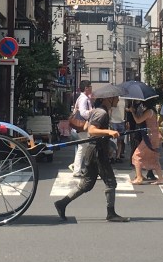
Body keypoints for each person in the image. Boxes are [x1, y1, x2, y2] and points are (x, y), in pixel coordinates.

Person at [54, 85, 129, 222]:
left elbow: (88, 126)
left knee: (87, 184)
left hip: (93, 150)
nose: (118, 100)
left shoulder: (98, 111)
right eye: (116, 97)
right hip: (97, 152)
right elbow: (92, 131)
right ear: (109, 99)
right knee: (111, 182)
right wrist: (109, 132)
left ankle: (62, 203)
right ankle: (111, 213)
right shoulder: (102, 113)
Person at [130, 100, 163, 185]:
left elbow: (138, 121)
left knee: (136, 156)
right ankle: (161, 178)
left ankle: (139, 178)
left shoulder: (149, 112)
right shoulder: (153, 111)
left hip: (150, 137)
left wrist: (132, 112)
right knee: (153, 157)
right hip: (155, 135)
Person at [69, 80, 94, 177]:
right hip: (83, 126)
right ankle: (80, 169)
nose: (92, 88)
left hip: (81, 127)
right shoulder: (84, 99)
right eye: (90, 86)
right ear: (86, 88)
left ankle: (76, 168)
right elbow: (84, 113)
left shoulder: (82, 98)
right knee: (88, 147)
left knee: (83, 147)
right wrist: (92, 111)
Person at [110, 97, 126, 162]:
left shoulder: (124, 99)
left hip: (121, 121)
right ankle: (110, 156)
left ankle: (118, 156)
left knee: (120, 140)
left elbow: (124, 109)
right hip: (113, 121)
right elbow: (110, 109)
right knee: (113, 140)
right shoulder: (114, 98)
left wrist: (125, 120)